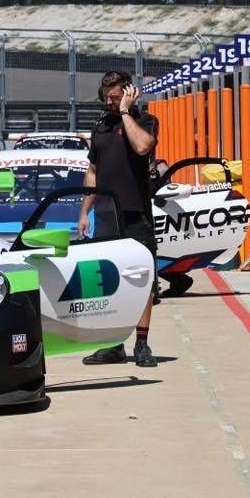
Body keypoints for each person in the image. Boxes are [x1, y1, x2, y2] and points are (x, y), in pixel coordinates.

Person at [77, 70, 160, 367]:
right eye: (106, 97)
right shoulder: (100, 126)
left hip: (136, 216)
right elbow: (93, 171)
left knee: (142, 279)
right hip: (106, 217)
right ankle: (113, 345)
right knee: (108, 282)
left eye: (115, 97)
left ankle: (142, 343)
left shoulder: (145, 121)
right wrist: (84, 211)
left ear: (128, 93)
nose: (109, 103)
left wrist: (125, 112)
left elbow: (142, 147)